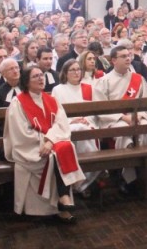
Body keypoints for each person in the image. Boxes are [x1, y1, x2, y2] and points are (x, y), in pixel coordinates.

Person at [4, 66, 85, 221]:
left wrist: (50, 141)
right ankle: (62, 203)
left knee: (66, 148)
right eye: (35, 77)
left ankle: (63, 200)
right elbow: (21, 133)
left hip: (49, 145)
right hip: (30, 148)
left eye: (42, 75)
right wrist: (47, 142)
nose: (41, 78)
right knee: (56, 156)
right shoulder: (18, 103)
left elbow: (61, 124)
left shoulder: (51, 100)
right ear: (26, 82)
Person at [94, 46, 147, 190]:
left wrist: (139, 115)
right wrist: (122, 117)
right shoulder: (104, 81)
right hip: (114, 120)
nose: (128, 58)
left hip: (137, 117)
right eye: (123, 56)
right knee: (124, 132)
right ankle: (126, 178)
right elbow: (100, 108)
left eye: (129, 55)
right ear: (113, 60)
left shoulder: (138, 79)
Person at [51, 60, 102, 197]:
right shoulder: (58, 90)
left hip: (88, 124)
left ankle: (81, 183)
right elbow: (55, 113)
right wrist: (72, 120)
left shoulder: (89, 88)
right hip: (67, 126)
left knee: (81, 128)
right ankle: (79, 183)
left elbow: (97, 111)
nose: (76, 72)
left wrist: (86, 120)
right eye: (72, 70)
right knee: (77, 128)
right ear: (65, 73)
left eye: (78, 69)